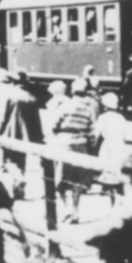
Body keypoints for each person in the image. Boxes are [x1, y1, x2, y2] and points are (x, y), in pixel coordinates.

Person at [50, 79, 100, 224]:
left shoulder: (64, 106)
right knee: (77, 181)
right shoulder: (88, 109)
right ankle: (75, 210)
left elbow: (52, 125)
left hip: (63, 145)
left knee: (60, 178)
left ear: (72, 91)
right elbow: (92, 133)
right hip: (81, 147)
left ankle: (65, 208)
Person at [0, 70, 44, 172]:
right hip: (25, 137)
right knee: (20, 162)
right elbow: (37, 123)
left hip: (10, 135)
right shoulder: (32, 98)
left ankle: (17, 178)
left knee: (10, 162)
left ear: (13, 82)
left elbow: (3, 118)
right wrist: (38, 139)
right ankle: (20, 175)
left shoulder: (9, 96)